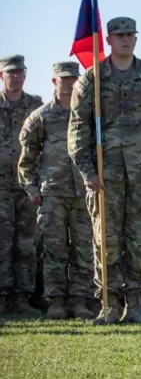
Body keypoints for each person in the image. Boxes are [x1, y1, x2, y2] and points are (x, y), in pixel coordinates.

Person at [68, 18, 141, 324]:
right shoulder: (92, 79)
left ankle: (135, 303)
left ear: (136, 39)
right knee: (106, 239)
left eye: (130, 35)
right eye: (119, 35)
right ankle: (109, 302)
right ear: (109, 40)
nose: (125, 40)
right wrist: (87, 170)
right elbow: (79, 128)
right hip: (106, 174)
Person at [17, 61, 92, 319]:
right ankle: (56, 300)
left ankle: (79, 300)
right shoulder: (41, 117)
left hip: (84, 193)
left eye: (74, 78)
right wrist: (32, 188)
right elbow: (27, 159)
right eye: (65, 78)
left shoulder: (89, 115)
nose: (70, 83)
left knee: (83, 248)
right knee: (54, 250)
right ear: (54, 82)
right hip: (53, 194)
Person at [0, 54, 42, 316]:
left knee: (26, 244)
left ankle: (22, 298)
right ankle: (2, 296)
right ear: (1, 75)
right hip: (0, 187)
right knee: (2, 243)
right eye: (11, 72)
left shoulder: (36, 106)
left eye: (20, 72)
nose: (16, 76)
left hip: (28, 186)